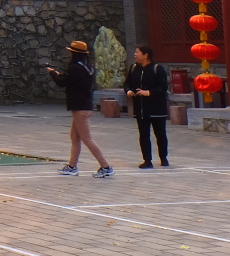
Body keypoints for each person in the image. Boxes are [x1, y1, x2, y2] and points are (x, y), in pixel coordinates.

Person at [48, 40, 112, 178]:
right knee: (75, 137)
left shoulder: (75, 67)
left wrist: (53, 74)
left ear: (74, 53)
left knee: (87, 138)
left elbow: (62, 82)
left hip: (79, 106)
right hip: (85, 104)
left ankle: (106, 166)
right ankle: (72, 166)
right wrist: (61, 75)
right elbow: (72, 80)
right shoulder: (87, 67)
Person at [123, 44, 171, 168]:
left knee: (160, 134)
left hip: (157, 108)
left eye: (137, 52)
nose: (135, 54)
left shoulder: (157, 68)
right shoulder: (134, 68)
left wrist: (149, 92)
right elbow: (127, 83)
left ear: (145, 55)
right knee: (144, 135)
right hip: (141, 108)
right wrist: (129, 90)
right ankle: (147, 160)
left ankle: (163, 158)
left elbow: (163, 87)